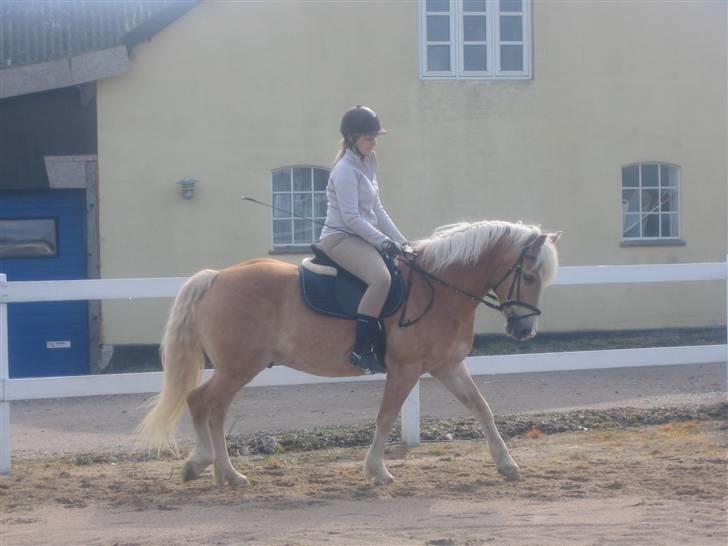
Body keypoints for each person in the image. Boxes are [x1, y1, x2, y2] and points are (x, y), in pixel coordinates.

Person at [319, 106, 409, 374]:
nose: (374, 142)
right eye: (369, 138)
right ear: (352, 139)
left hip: (363, 237)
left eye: (374, 137)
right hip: (340, 238)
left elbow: (377, 210)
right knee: (381, 279)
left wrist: (403, 243)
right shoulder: (344, 170)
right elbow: (351, 218)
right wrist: (383, 242)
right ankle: (361, 349)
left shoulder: (369, 161)